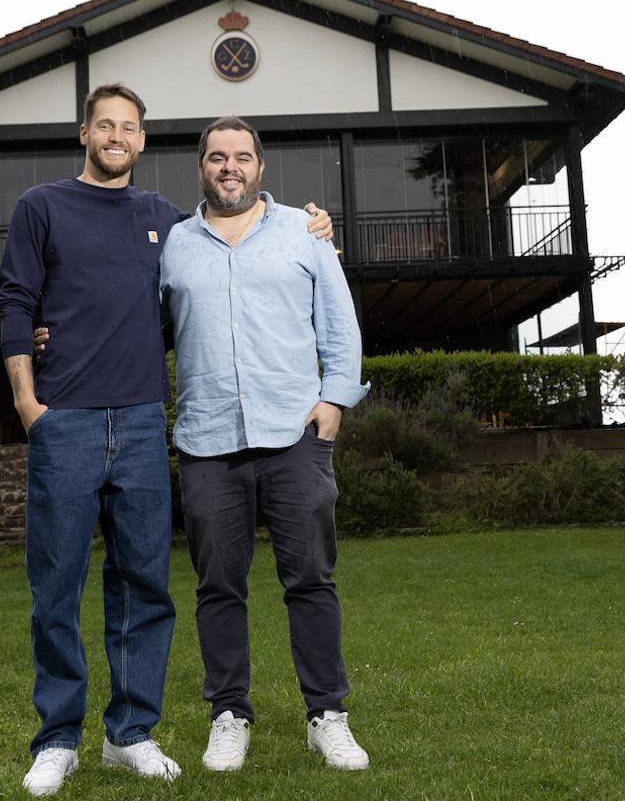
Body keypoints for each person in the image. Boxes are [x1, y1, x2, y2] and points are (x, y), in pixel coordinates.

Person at [0, 85, 331, 797]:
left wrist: (310, 225)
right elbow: (15, 301)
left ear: (142, 141)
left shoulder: (166, 224)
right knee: (56, 587)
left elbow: (229, 244)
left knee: (144, 585)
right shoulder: (41, 206)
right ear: (85, 132)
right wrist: (28, 404)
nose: (116, 136)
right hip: (65, 421)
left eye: (129, 127)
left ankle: (129, 734)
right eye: (105, 125)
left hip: (145, 422)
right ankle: (57, 739)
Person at [159, 116, 371, 773]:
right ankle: (229, 715)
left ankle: (327, 715)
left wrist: (335, 400)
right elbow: (138, 325)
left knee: (310, 580)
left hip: (294, 436)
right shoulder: (174, 244)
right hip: (207, 442)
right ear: (201, 167)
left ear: (260, 166)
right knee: (218, 587)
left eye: (242, 156)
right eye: (217, 157)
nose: (230, 167)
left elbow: (340, 324)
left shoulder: (304, 232)